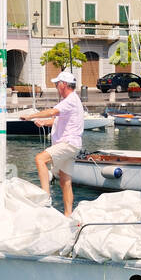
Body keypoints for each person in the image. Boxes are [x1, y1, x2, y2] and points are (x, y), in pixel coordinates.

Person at [23, 70, 83, 216]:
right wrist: (43, 123)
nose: (56, 87)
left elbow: (52, 112)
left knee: (40, 159)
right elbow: (57, 120)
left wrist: (30, 116)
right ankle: (68, 215)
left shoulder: (70, 100)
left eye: (57, 84)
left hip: (67, 143)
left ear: (63, 85)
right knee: (65, 181)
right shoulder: (70, 101)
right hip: (73, 144)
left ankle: (45, 198)